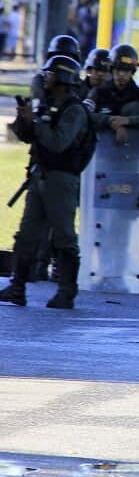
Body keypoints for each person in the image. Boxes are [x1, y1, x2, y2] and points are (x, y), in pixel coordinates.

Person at [0, 55, 95, 309]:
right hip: (39, 177)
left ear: (63, 78)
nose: (46, 78)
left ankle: (67, 291)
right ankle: (17, 285)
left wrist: (38, 123)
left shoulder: (74, 110)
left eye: (51, 74)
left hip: (61, 180)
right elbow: (28, 136)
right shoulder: (48, 105)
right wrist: (24, 120)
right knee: (26, 235)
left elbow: (58, 142)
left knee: (63, 236)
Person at [86, 44, 139, 144]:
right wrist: (110, 120)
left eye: (126, 70)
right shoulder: (98, 92)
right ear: (111, 69)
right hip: (101, 153)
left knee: (136, 107)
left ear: (132, 72)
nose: (121, 74)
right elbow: (84, 115)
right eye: (118, 69)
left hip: (134, 154)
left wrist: (129, 121)